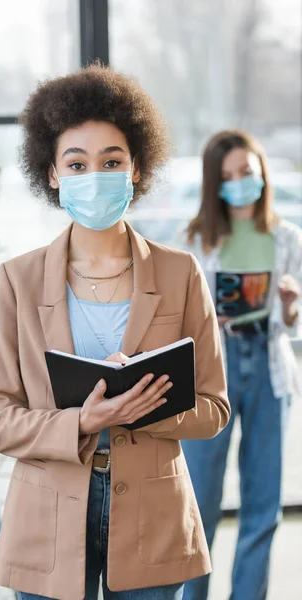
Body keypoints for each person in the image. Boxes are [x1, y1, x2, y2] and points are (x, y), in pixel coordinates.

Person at [0, 65, 230, 600]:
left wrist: (145, 406)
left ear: (136, 168)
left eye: (111, 161)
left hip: (152, 514)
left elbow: (214, 409)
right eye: (77, 163)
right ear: (51, 174)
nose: (95, 175)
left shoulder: (180, 272)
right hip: (47, 513)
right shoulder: (16, 281)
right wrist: (82, 423)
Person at [179, 130, 302, 600]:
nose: (238, 183)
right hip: (215, 367)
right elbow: (180, 319)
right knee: (198, 504)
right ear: (215, 183)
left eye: (245, 173)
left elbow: (288, 325)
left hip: (269, 369)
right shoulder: (196, 239)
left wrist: (290, 304)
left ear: (262, 173)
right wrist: (210, 315)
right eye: (227, 176)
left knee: (262, 504)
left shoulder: (287, 237)